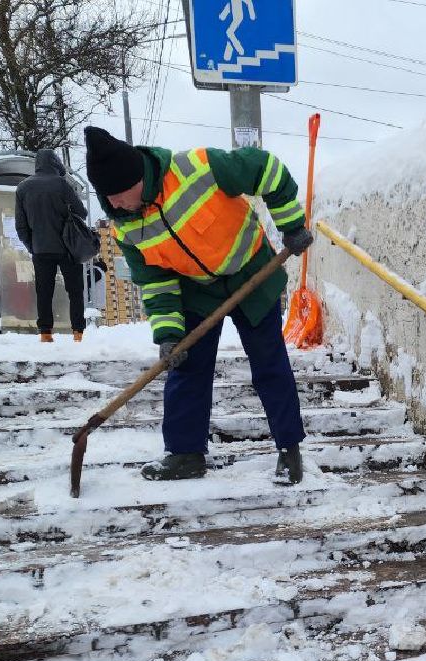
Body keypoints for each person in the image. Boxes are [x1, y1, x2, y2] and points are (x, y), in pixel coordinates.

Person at [82, 125, 312, 484]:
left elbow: (268, 170)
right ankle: (185, 454)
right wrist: (169, 334)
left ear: (139, 177)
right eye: (106, 198)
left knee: (269, 362)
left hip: (251, 270)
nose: (114, 205)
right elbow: (156, 283)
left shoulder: (201, 167)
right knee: (186, 367)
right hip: (196, 290)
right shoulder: (126, 227)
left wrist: (291, 225)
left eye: (119, 195)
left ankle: (289, 449)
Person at [15, 149, 88, 343]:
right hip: (68, 248)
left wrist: (32, 246)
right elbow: (82, 212)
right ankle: (78, 333)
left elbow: (20, 226)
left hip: (40, 248)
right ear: (55, 162)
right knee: (74, 290)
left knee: (44, 291)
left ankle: (45, 333)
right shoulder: (62, 184)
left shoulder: (23, 188)